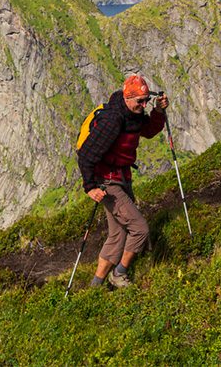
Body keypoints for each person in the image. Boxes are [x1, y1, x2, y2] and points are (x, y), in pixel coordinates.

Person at [77, 74, 169, 289]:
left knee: (118, 233)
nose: (143, 105)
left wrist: (157, 111)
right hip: (108, 182)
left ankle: (95, 285)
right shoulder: (113, 120)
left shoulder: (133, 113)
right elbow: (87, 155)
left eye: (146, 100)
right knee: (139, 228)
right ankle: (119, 274)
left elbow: (147, 131)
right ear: (128, 97)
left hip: (122, 177)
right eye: (140, 101)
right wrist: (90, 187)